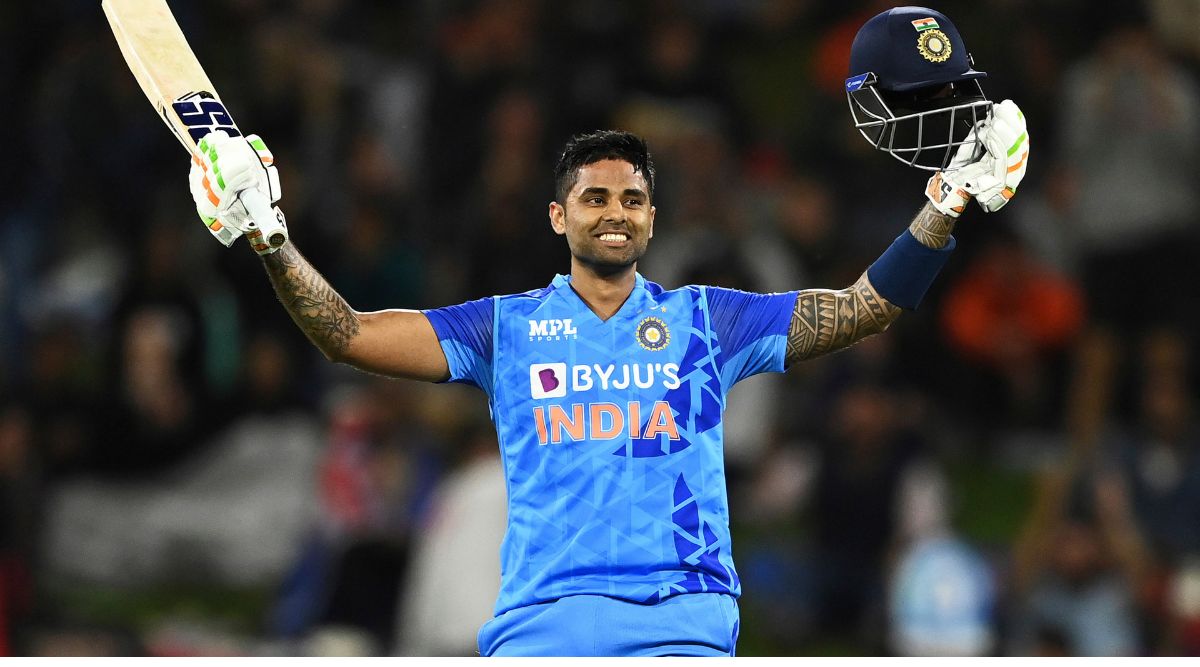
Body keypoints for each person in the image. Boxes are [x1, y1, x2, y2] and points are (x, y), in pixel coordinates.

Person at [183, 6, 1029, 657]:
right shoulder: (505, 328)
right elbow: (348, 334)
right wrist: (269, 237)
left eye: (632, 198)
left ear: (653, 218)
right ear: (559, 216)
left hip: (683, 629)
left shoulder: (709, 319)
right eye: (594, 197)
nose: (615, 212)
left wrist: (948, 202)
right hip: (542, 634)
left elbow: (863, 307)